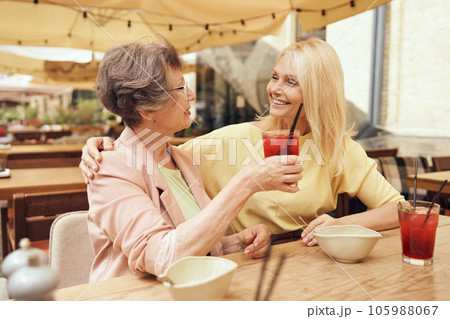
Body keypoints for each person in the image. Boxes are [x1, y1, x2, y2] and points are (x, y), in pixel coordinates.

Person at [81, 38, 403, 249]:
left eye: (291, 82)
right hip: (247, 268)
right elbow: (154, 151)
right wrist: (103, 145)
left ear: (318, 92)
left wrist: (341, 225)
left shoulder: (338, 150)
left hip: (312, 262)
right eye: (274, 77)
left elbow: (401, 211)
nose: (275, 88)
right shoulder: (232, 140)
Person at [86, 37, 303, 282]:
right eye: (180, 88)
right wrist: (247, 182)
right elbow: (162, 257)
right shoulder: (110, 168)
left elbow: (193, 246)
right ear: (146, 110)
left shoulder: (182, 160)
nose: (190, 95)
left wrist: (236, 243)